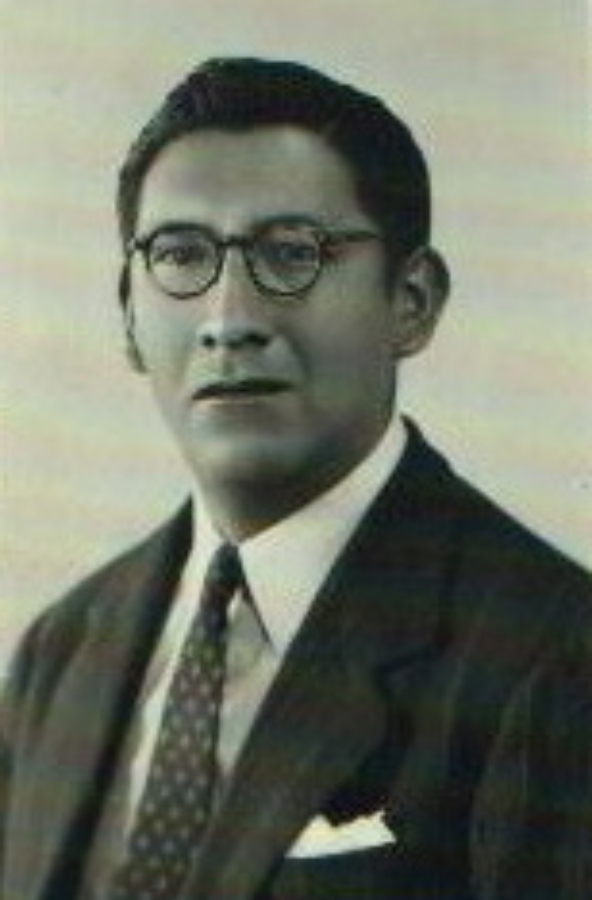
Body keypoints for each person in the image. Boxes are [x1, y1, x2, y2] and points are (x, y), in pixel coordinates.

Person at [1, 56, 591, 900]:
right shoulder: (59, 652)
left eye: (291, 253)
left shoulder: (553, 658)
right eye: (181, 254)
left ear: (413, 301)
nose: (229, 320)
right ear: (128, 315)